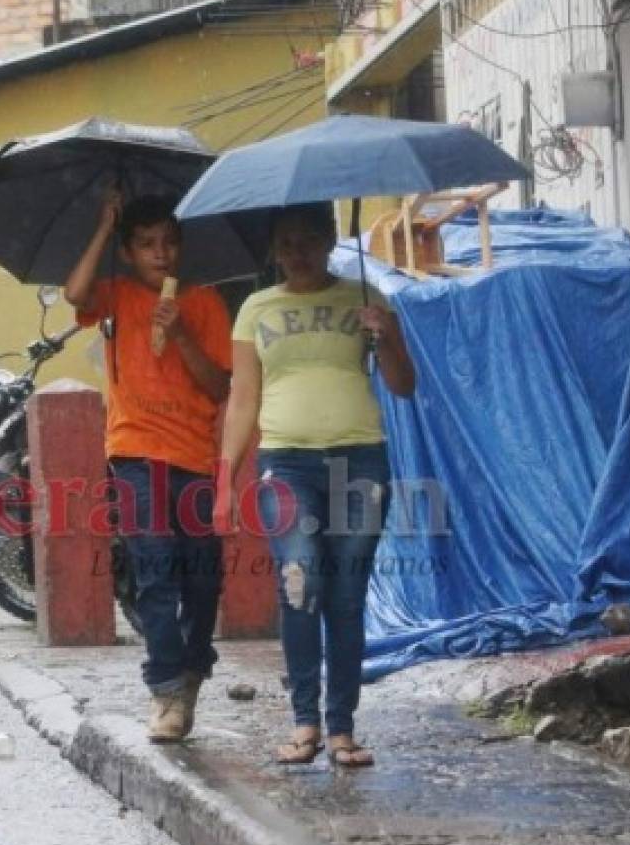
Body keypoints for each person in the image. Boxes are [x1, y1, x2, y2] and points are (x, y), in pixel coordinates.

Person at [215, 203, 416, 768]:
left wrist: (390, 337)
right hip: (286, 464)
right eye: (286, 243)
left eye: (308, 240)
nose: (297, 252)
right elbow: (244, 397)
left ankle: (342, 730)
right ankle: (304, 723)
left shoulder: (365, 299)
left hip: (360, 460)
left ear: (330, 240)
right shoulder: (256, 308)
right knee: (300, 585)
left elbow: (405, 386)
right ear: (273, 250)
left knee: (347, 597)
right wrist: (226, 477)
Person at [65, 193, 232, 743]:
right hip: (134, 451)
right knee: (155, 569)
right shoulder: (114, 297)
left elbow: (219, 385)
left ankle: (191, 670)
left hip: (195, 457)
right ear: (129, 253)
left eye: (167, 242)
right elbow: (74, 293)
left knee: (202, 577)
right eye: (144, 245)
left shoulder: (204, 302)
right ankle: (165, 689)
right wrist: (101, 227)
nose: (159, 254)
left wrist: (180, 332)